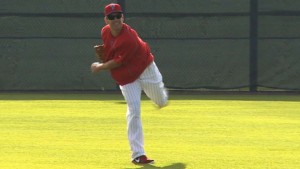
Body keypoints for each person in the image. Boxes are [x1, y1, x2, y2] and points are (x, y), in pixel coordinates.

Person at [90, 3, 168, 165]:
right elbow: (111, 50)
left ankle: (161, 99)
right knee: (134, 111)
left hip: (145, 69)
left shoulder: (128, 38)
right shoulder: (105, 32)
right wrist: (106, 52)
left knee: (161, 101)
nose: (116, 19)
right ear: (106, 20)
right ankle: (138, 155)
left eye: (118, 16)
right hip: (127, 77)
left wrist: (100, 66)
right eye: (111, 17)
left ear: (123, 17)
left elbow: (117, 62)